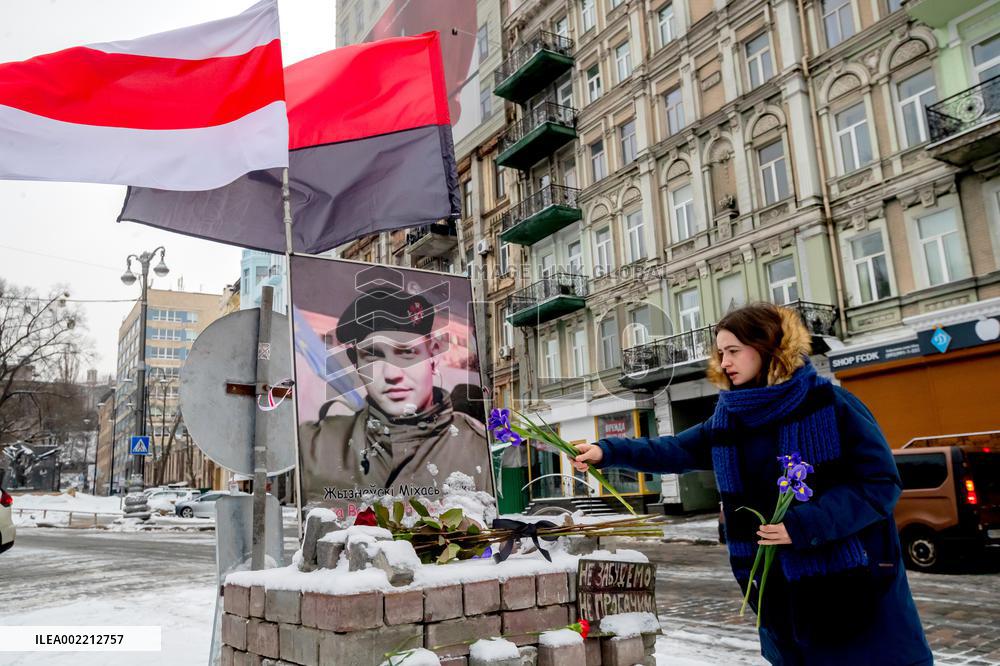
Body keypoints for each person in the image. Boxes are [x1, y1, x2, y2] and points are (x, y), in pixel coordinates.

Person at [573, 303, 932, 665]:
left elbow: (880, 483)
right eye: (720, 353)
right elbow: (676, 449)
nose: (724, 362)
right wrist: (606, 452)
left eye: (733, 351)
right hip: (776, 588)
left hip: (849, 582)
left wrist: (804, 525)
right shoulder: (730, 417)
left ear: (767, 347)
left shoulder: (830, 404)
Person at [298, 282, 492, 502]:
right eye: (373, 356)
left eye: (407, 353)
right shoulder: (314, 446)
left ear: (433, 355)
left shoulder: (479, 450)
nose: (391, 374)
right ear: (356, 363)